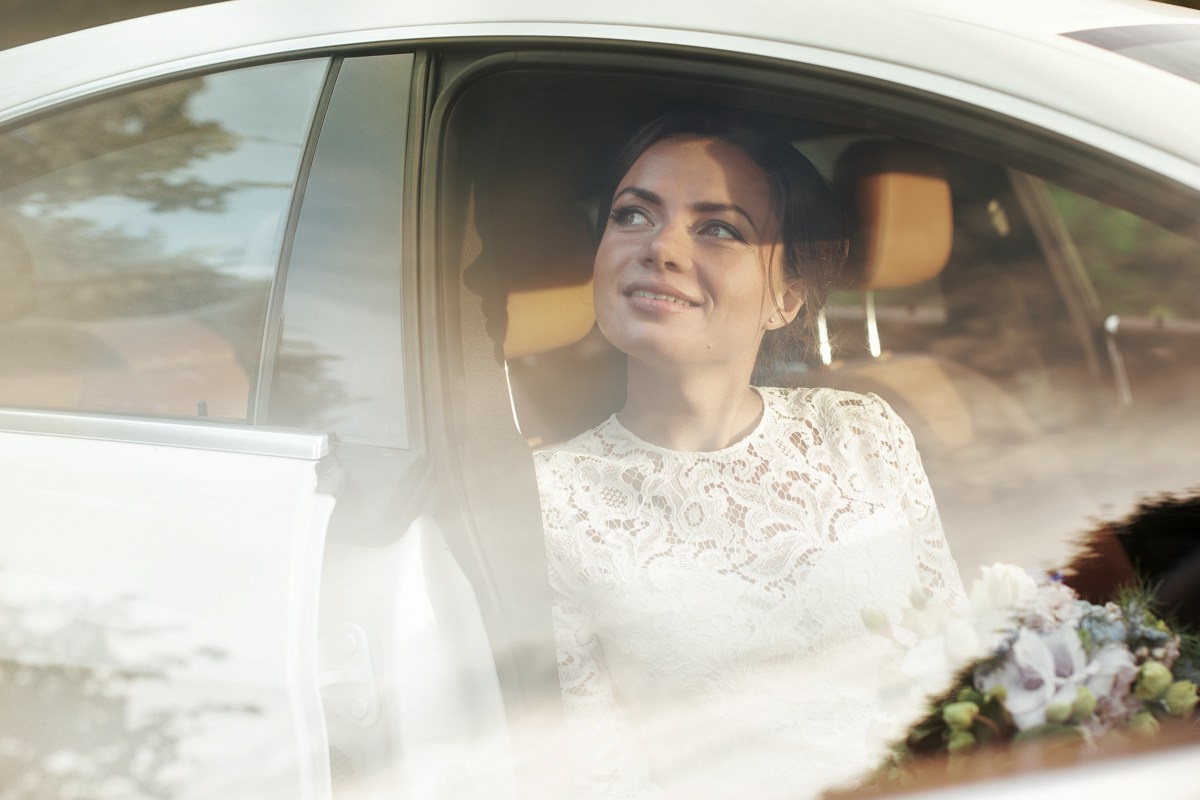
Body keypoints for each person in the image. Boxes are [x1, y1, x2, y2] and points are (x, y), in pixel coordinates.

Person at [533, 113, 965, 799]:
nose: (660, 248)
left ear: (786, 297)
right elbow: (597, 773)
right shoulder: (548, 498)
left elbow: (953, 667)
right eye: (632, 215)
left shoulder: (862, 430)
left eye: (719, 228)